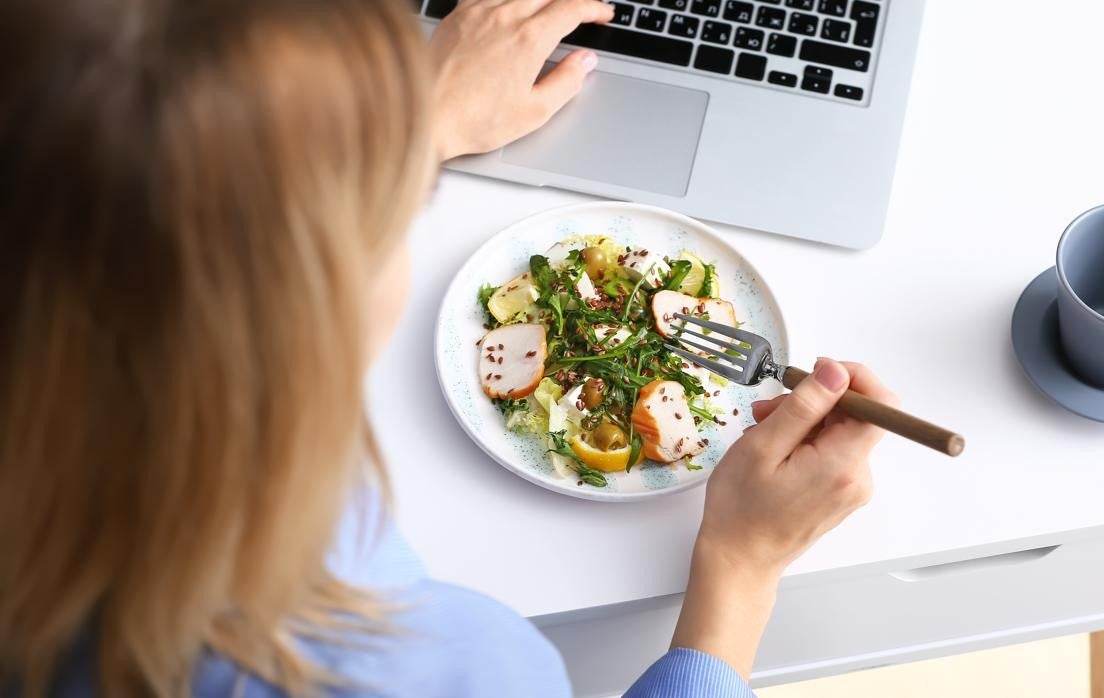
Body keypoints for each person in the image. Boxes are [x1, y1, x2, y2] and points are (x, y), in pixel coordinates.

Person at [0, 0, 897, 696]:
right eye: (389, 211)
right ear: (305, 307)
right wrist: (738, 574)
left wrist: (412, 125)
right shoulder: (433, 667)